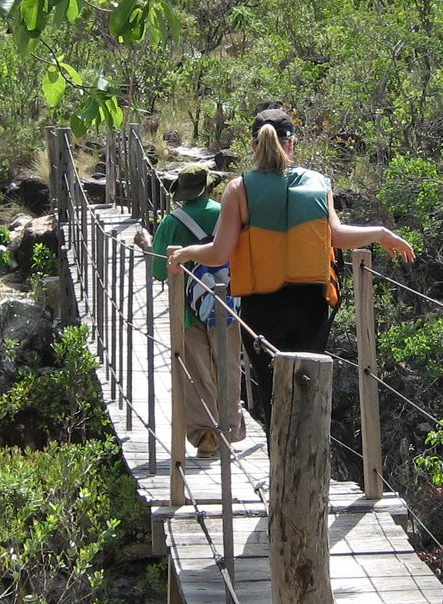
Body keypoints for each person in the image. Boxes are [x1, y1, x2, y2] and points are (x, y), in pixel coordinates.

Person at [167, 107, 416, 427]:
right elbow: (337, 237)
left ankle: (278, 475)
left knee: (275, 399)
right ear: (292, 144)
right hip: (311, 309)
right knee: (308, 396)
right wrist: (380, 233)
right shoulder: (318, 184)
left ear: (254, 146)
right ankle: (312, 476)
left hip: (262, 310)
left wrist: (187, 253)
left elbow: (220, 253)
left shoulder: (239, 189)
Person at [136, 163, 246, 455]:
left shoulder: (171, 223)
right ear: (209, 187)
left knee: (196, 371)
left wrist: (148, 246)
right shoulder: (226, 212)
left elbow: (160, 270)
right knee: (228, 366)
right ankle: (230, 428)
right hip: (228, 301)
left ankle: (206, 435)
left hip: (186, 309)